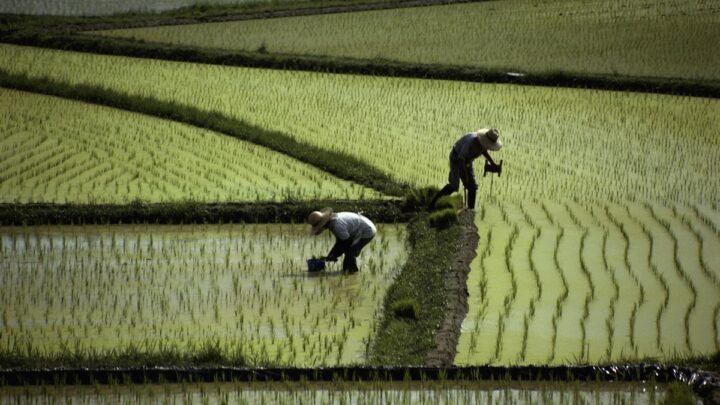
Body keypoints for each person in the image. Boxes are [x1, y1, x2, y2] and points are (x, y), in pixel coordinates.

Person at [430, 128, 502, 210]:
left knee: (472, 187)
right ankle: (433, 204)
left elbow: (483, 151)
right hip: (456, 158)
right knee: (454, 185)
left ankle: (470, 210)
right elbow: (461, 159)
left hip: (468, 160)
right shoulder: (471, 142)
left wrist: (492, 163)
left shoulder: (483, 144)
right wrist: (464, 176)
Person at [308, 208, 376, 273]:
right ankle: (347, 272)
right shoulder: (332, 222)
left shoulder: (337, 226)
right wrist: (332, 254)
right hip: (360, 226)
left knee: (350, 252)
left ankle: (351, 273)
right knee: (348, 251)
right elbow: (340, 241)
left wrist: (335, 255)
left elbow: (347, 242)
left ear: (323, 224)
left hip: (367, 230)